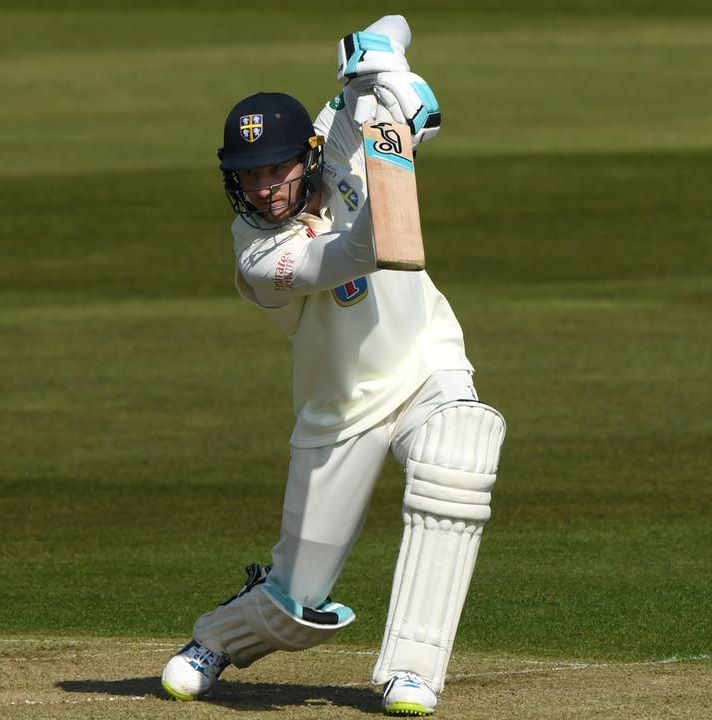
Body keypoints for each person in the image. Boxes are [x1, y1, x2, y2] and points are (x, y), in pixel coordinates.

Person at [160, 15, 507, 717]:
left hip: (423, 363)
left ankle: (412, 670)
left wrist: (383, 73)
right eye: (247, 174)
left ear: (307, 156)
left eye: (276, 169)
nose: (263, 187)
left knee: (460, 452)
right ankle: (219, 637)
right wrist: (395, 161)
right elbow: (354, 254)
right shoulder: (260, 257)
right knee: (297, 608)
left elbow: (389, 33)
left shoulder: (337, 144)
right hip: (339, 410)